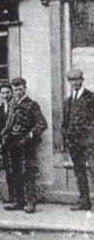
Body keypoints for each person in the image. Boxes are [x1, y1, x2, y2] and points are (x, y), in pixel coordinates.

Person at [2, 78, 47, 213]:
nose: (18, 92)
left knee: (28, 173)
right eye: (15, 89)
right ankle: (18, 201)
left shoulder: (32, 105)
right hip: (13, 144)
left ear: (25, 88)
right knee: (15, 173)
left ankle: (31, 203)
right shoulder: (12, 104)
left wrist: (29, 136)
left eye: (20, 89)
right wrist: (5, 133)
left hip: (26, 145)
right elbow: (9, 122)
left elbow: (42, 124)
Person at [62, 68, 93, 211]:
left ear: (82, 80)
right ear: (69, 82)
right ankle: (84, 202)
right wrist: (66, 140)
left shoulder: (90, 98)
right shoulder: (68, 101)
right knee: (79, 172)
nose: (75, 82)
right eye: (72, 80)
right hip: (74, 143)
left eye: (77, 79)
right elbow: (65, 123)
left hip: (89, 143)